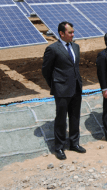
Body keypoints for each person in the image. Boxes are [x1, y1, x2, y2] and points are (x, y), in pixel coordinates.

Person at [42, 21, 85, 160]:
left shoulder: (76, 47)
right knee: (61, 119)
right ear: (61, 33)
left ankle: (74, 143)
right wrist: (55, 85)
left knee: (75, 117)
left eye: (73, 32)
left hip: (76, 88)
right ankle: (59, 147)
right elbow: (46, 70)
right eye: (70, 32)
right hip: (61, 89)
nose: (73, 34)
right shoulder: (53, 49)